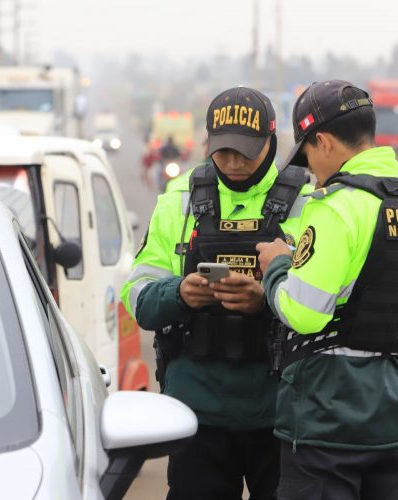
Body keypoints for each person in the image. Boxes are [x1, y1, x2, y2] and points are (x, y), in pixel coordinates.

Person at [256, 80, 398, 500]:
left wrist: (275, 267)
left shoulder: (333, 208)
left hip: (330, 423)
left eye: (307, 153)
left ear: (323, 142)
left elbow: (304, 312)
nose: (309, 169)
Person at [121, 87, 311, 500]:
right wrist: (180, 293)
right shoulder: (180, 202)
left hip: (279, 414)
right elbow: (138, 297)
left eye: (245, 152)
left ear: (271, 141)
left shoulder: (308, 204)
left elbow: (327, 304)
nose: (232, 162)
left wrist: (268, 299)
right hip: (197, 415)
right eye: (223, 151)